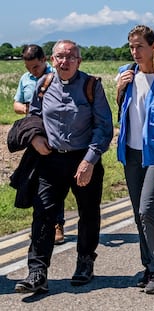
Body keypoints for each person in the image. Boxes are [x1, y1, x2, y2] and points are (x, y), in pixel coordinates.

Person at [14, 39, 113, 293]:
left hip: (84, 159)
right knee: (44, 214)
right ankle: (37, 273)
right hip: (51, 160)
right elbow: (33, 116)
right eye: (60, 57)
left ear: (79, 61)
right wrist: (35, 138)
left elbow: (103, 128)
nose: (65, 61)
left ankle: (85, 262)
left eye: (70, 57)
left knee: (88, 213)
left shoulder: (92, 86)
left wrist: (90, 160)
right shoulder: (43, 84)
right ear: (52, 60)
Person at [116, 25, 154, 294]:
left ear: (153, 47)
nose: (135, 52)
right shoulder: (126, 74)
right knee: (136, 212)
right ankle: (148, 265)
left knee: (147, 210)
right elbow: (122, 110)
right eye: (131, 47)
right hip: (130, 153)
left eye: (139, 46)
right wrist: (119, 89)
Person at [13, 44, 66, 245]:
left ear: (45, 59)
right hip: (34, 135)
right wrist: (31, 107)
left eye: (35, 67)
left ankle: (57, 224)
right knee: (35, 181)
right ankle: (40, 224)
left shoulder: (56, 76)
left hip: (54, 136)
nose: (32, 72)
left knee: (55, 182)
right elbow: (17, 105)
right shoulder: (25, 80)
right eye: (28, 69)